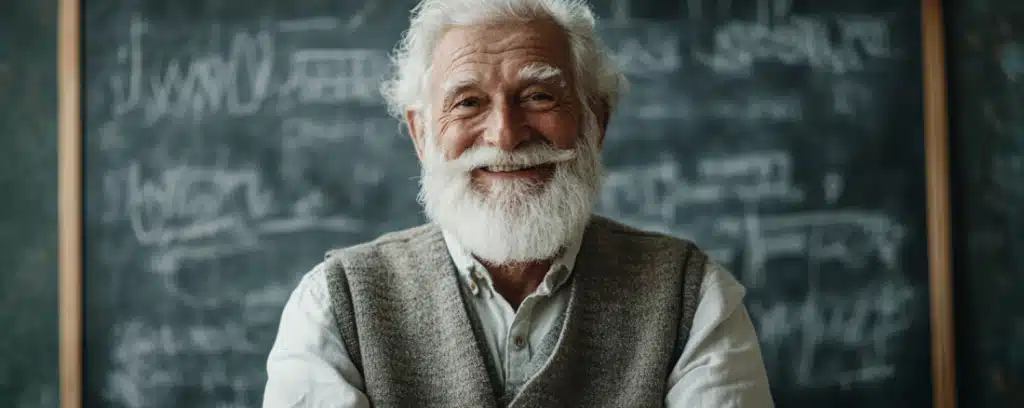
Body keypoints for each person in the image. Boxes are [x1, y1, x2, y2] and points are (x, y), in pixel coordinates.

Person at [263, 0, 774, 406]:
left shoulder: (693, 299)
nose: (505, 136)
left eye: (539, 95)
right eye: (468, 102)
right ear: (422, 135)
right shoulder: (334, 308)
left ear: (596, 121)